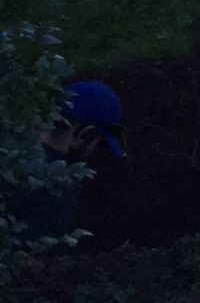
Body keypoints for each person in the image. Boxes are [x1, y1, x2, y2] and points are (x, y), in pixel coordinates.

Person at [4, 80, 126, 244]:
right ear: (84, 135)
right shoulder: (56, 192)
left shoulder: (8, 146)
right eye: (98, 143)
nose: (94, 152)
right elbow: (33, 262)